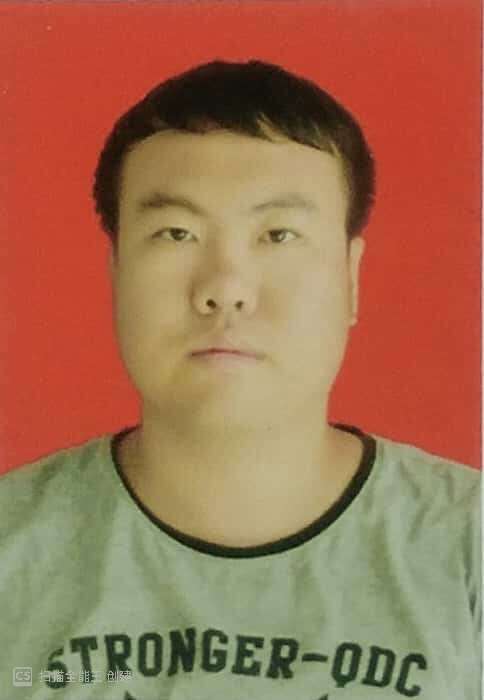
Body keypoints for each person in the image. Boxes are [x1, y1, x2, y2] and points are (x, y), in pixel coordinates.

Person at [1, 60, 480, 700]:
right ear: (116, 272)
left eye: (278, 234)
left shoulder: (468, 548)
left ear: (350, 278)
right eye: (177, 233)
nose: (225, 288)